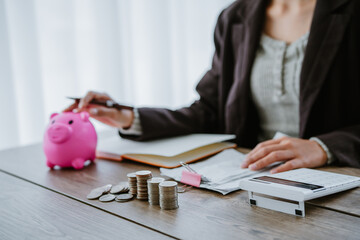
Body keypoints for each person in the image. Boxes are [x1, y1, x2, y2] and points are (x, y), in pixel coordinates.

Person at [64, 0, 360, 173]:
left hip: (338, 181)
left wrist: (323, 148)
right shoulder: (235, 17)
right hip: (252, 183)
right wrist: (130, 117)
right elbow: (209, 109)